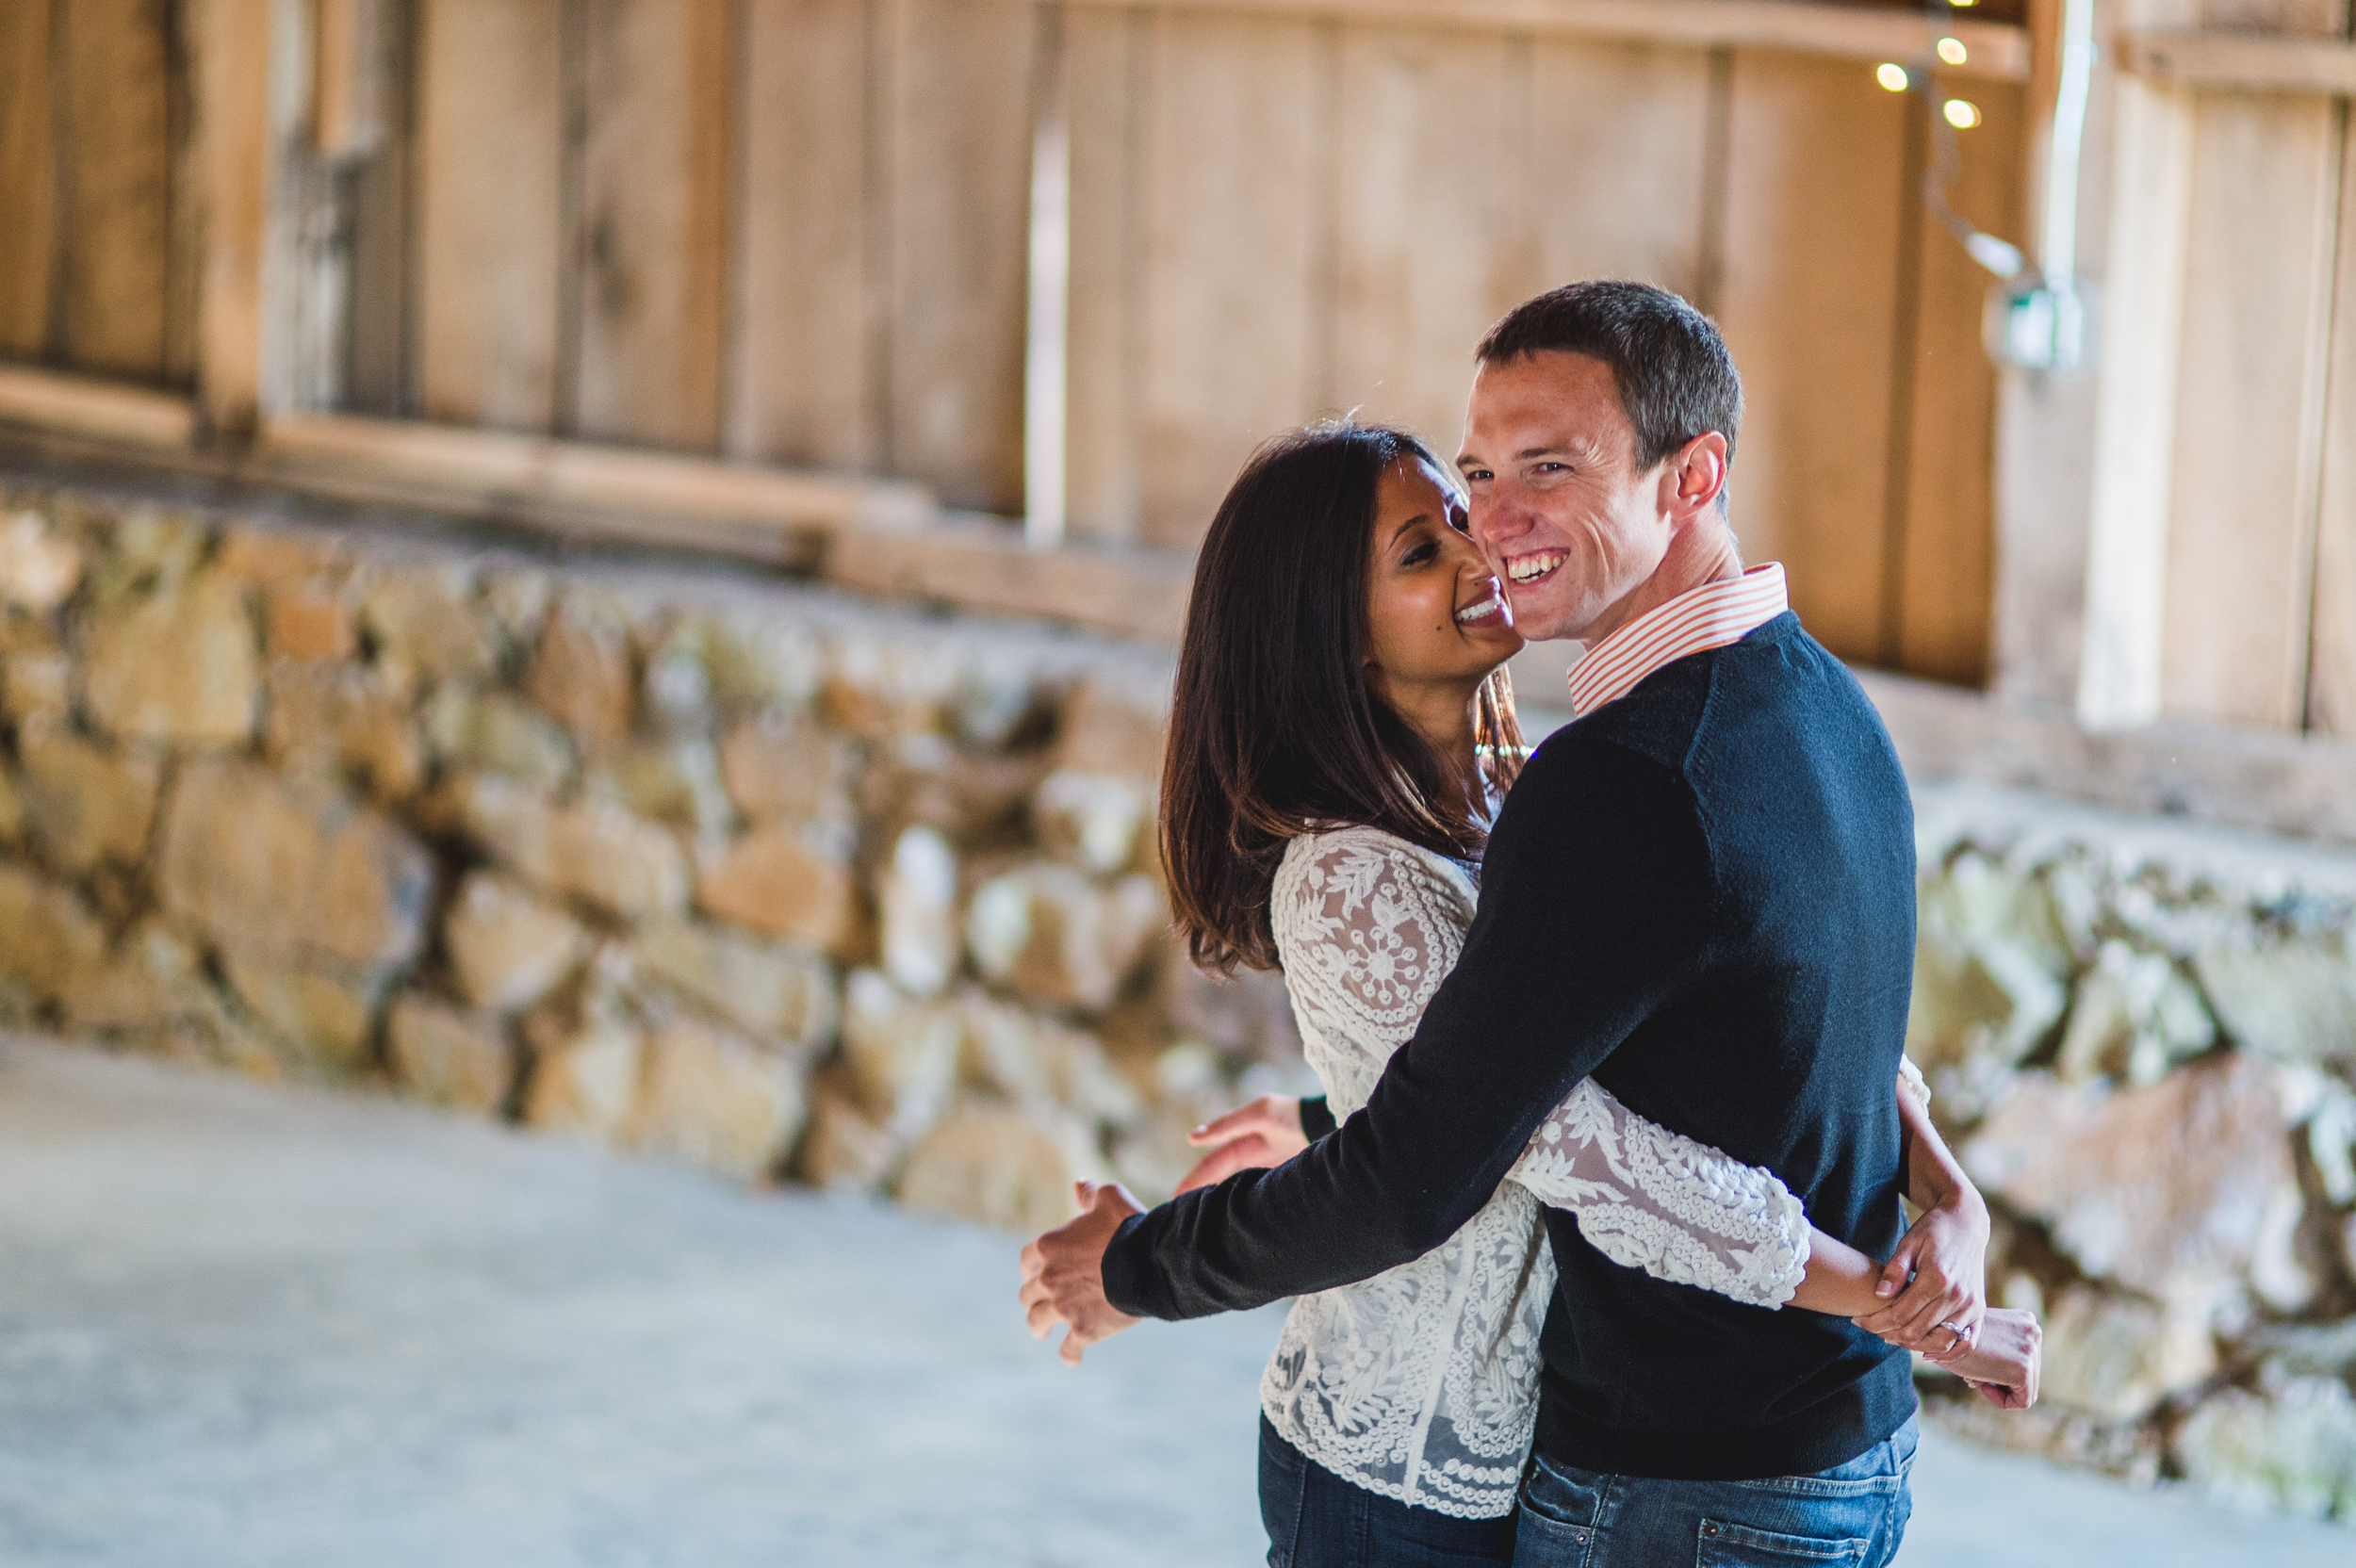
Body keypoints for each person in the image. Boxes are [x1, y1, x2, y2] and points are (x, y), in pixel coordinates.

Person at [1020, 282, 2042, 1568]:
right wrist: (1932, 1260)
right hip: (1733, 1447)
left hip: (1688, 1474)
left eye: (1541, 474)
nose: (1492, 530)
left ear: (1693, 476)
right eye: (1474, 482)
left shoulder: (1610, 781)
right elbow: (1560, 1090)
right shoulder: (1819, 702)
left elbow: (1561, 1102)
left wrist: (1940, 1239)